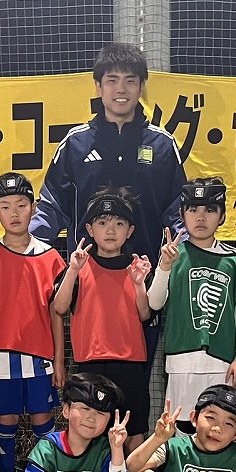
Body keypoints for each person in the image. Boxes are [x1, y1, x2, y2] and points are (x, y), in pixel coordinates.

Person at [33, 41, 186, 269]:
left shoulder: (163, 145)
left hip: (147, 276)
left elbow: (178, 215)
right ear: (98, 86)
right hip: (85, 277)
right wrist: (21, 251)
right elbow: (51, 210)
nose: (121, 89)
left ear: (141, 87)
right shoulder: (75, 144)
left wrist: (190, 257)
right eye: (112, 80)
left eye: (130, 81)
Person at [0, 172, 67, 472]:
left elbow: (57, 313)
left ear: (34, 207)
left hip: (41, 358)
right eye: (6, 206)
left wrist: (60, 360)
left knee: (43, 422)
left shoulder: (51, 257)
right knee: (6, 421)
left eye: (22, 205)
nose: (14, 213)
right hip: (0, 358)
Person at [51, 187, 153, 452]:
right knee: (90, 433)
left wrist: (139, 284)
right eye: (102, 223)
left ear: (130, 231)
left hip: (131, 364)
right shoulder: (79, 266)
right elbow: (59, 307)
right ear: (89, 229)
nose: (110, 230)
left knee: (133, 433)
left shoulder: (138, 267)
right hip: (90, 364)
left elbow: (145, 314)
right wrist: (73, 270)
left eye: (119, 223)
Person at [147, 178, 236, 426]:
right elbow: (154, 303)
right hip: (180, 359)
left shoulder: (234, 260)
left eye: (210, 210)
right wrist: (164, 267)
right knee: (180, 425)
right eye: (193, 209)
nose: (201, 217)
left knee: (216, 426)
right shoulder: (173, 255)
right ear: (182, 215)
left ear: (222, 216)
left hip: (222, 360)